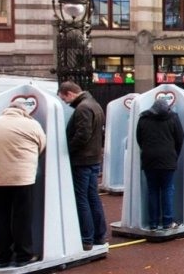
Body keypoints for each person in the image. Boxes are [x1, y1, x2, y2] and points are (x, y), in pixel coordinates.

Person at [0, 101, 46, 268]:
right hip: (23, 177)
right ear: (23, 111)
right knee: (22, 217)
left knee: (0, 217)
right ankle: (23, 255)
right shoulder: (32, 124)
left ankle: (2, 257)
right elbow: (41, 146)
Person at [57, 81, 107, 251]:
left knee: (82, 199)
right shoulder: (95, 104)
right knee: (92, 197)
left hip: (82, 160)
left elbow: (82, 135)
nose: (65, 102)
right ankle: (99, 235)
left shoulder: (83, 108)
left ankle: (87, 238)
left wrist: (67, 150)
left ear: (70, 93)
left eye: (64, 98)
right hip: (93, 158)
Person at [136, 98, 184, 230]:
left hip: (149, 159)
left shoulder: (144, 118)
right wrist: (174, 154)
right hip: (168, 158)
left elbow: (139, 138)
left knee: (153, 191)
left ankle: (153, 222)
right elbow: (180, 138)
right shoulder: (173, 118)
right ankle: (167, 221)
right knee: (167, 190)